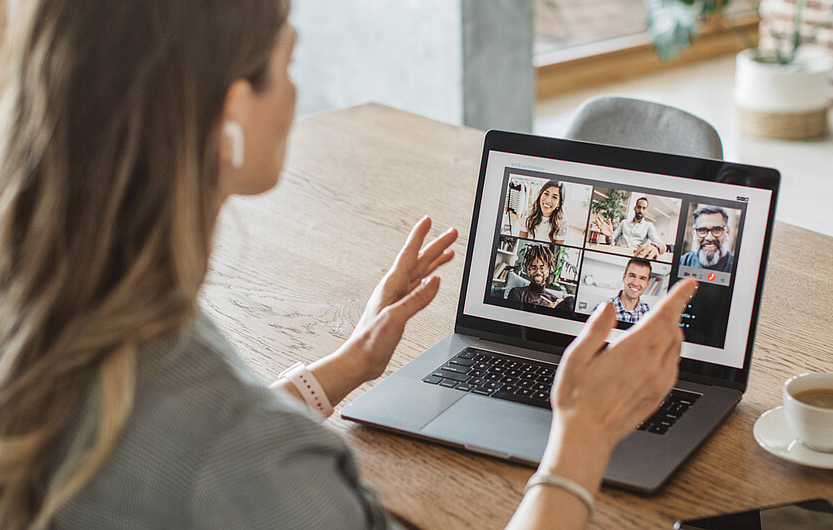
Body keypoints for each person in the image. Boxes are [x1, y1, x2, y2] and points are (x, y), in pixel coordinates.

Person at [0, 1, 698, 528]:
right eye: (287, 62)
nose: (296, 90)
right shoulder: (260, 462)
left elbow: (172, 438)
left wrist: (346, 366)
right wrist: (579, 438)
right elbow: (226, 453)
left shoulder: (53, 311)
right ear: (231, 117)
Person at [596, 197, 667, 259]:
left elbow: (662, 245)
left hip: (635, 258)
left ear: (646, 210)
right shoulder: (624, 223)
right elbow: (611, 240)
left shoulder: (648, 226)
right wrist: (609, 236)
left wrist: (656, 247)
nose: (641, 210)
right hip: (619, 255)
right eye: (639, 207)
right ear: (635, 208)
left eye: (644, 208)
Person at [680, 206, 734, 272]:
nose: (709, 238)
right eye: (702, 230)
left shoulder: (738, 267)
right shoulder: (682, 262)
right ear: (694, 233)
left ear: (727, 232)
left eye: (716, 230)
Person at [602, 258, 653, 324]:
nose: (635, 283)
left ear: (647, 284)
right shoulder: (602, 310)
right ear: (624, 277)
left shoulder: (650, 315)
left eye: (642, 278)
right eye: (632, 276)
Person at [519, 180, 568, 245]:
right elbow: (521, 244)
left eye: (554, 197)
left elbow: (556, 252)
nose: (548, 200)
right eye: (546, 194)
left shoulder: (562, 222)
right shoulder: (527, 214)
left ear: (559, 203)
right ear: (540, 195)